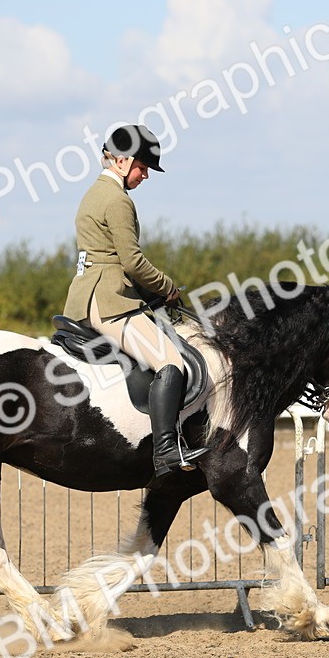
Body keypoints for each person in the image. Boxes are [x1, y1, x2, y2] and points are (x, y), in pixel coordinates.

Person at [62, 124, 207, 477]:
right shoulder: (117, 200)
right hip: (110, 301)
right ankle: (166, 451)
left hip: (89, 294)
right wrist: (168, 286)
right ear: (124, 161)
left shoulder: (94, 194)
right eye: (143, 167)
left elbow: (108, 257)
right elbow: (132, 261)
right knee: (172, 363)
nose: (145, 175)